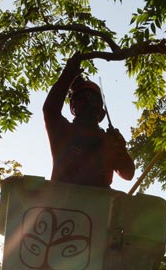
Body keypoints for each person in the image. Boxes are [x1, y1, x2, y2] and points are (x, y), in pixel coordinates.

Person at [43, 54, 135, 188]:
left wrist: (120, 149)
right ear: (74, 106)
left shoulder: (109, 141)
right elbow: (50, 109)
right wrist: (68, 74)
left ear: (101, 111)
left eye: (93, 99)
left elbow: (128, 174)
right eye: (82, 99)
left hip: (97, 206)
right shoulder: (63, 131)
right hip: (62, 205)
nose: (88, 103)